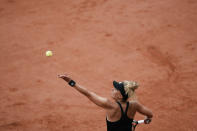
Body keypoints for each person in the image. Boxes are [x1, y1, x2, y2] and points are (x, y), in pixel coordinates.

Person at [58, 74, 153, 131]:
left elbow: (88, 94)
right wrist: (147, 118)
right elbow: (150, 114)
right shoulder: (135, 105)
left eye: (115, 89)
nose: (112, 89)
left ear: (120, 95)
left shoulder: (110, 105)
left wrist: (70, 81)